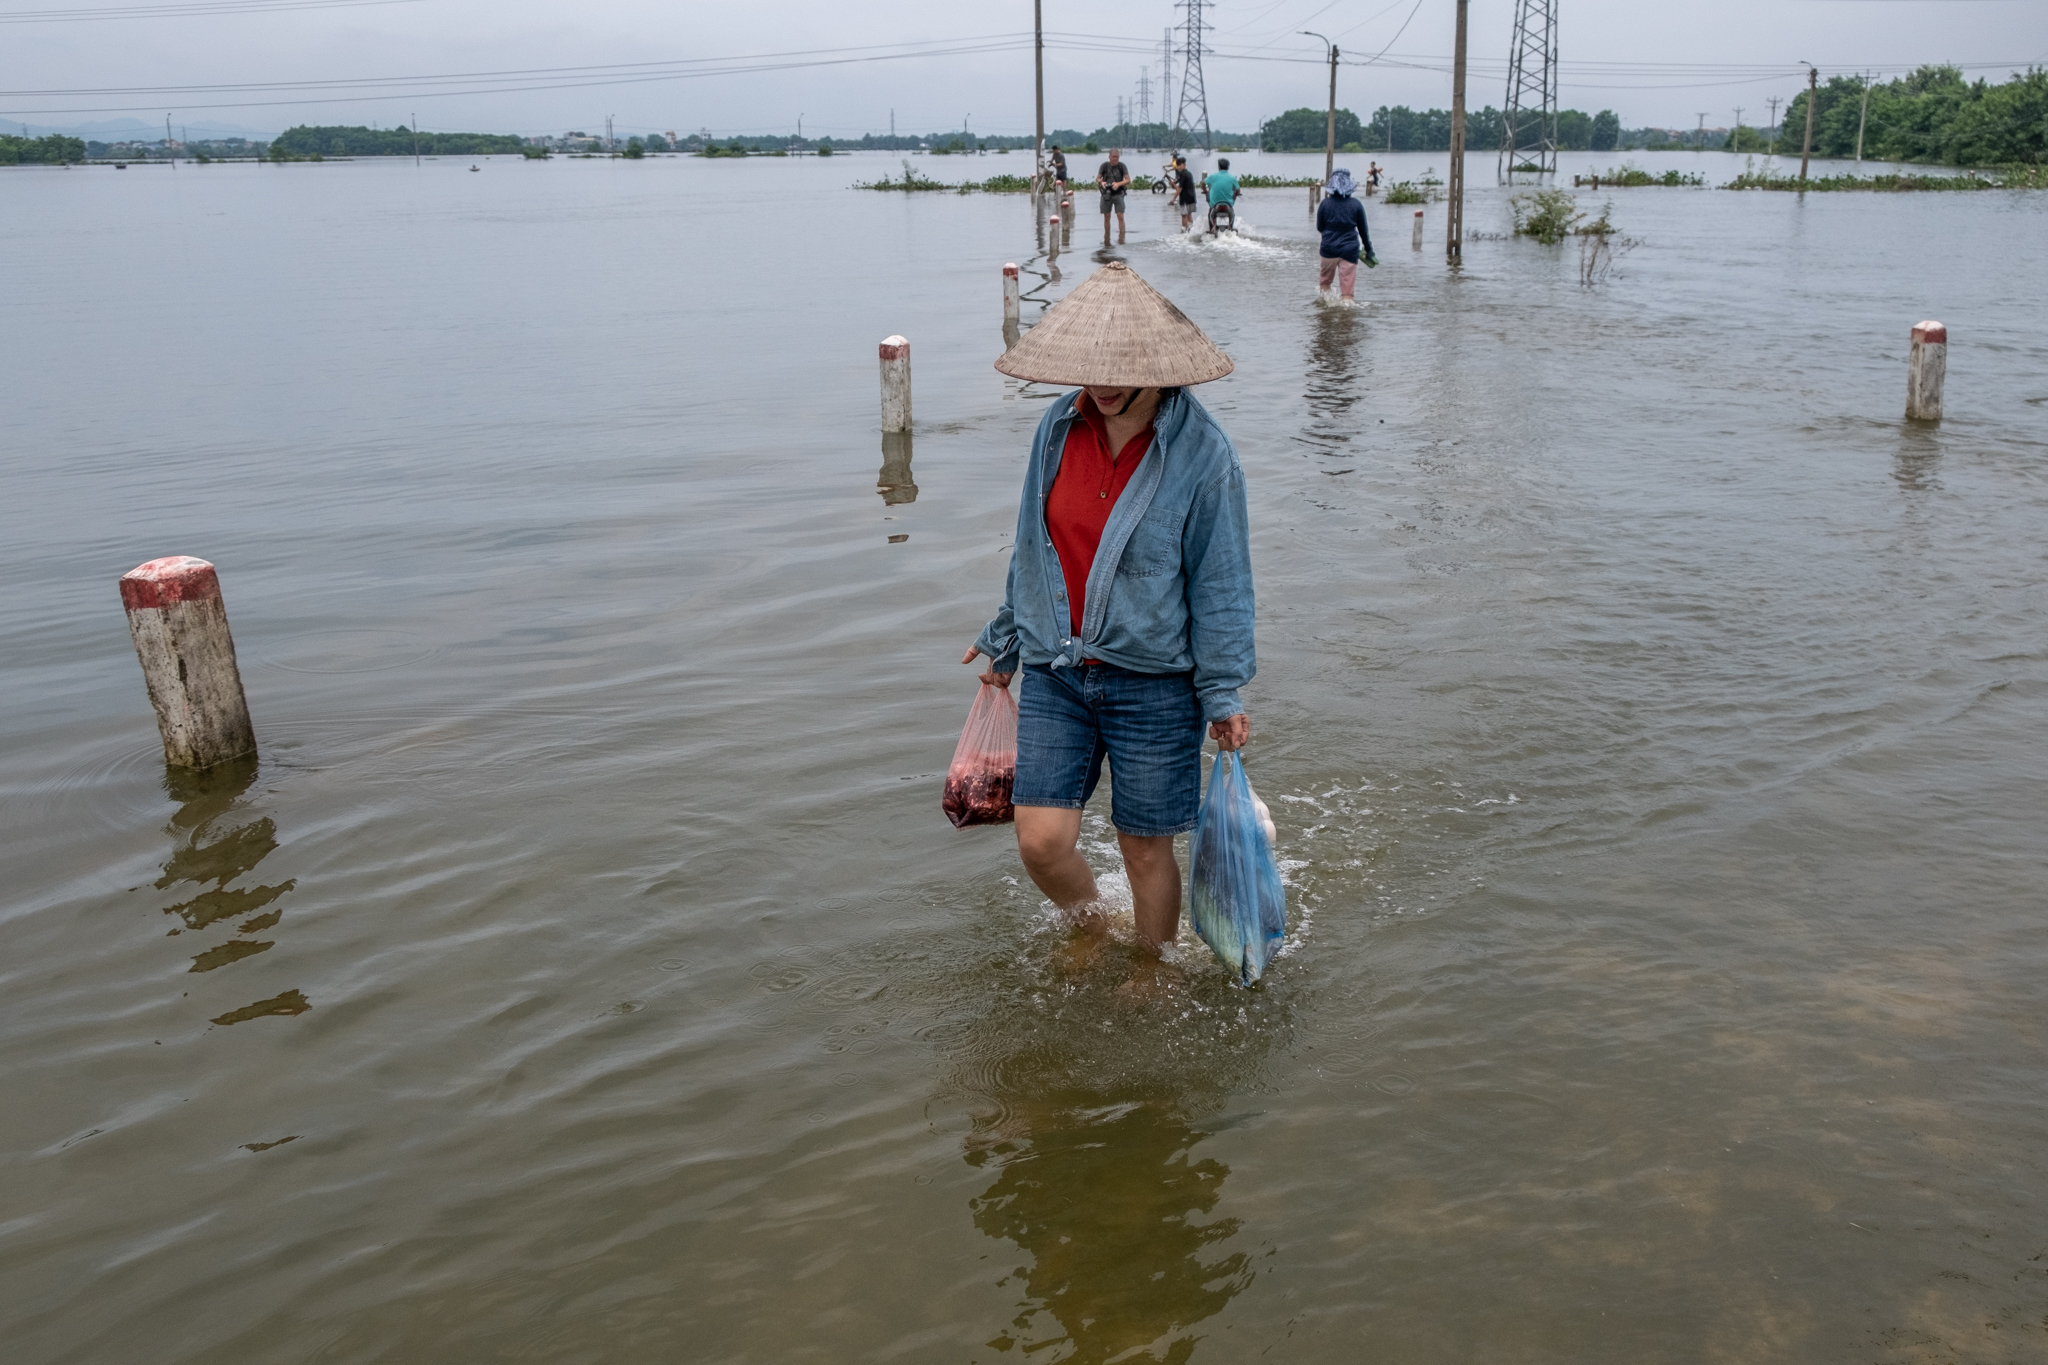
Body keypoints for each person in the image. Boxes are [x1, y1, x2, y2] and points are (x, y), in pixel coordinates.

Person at [966, 261, 1254, 960]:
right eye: (1089, 368)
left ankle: (1152, 967)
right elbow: (1032, 542)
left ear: (1160, 367)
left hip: (1153, 680)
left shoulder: (1205, 455)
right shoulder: (1058, 428)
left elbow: (1221, 581)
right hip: (1059, 669)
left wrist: (1221, 690)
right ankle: (1093, 921)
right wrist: (1005, 640)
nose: (1099, 384)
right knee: (1040, 839)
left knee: (1145, 848)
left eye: (1117, 370)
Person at [1315, 167, 1376, 305]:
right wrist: (1369, 250)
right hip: (1350, 250)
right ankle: (1347, 320)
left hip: (1328, 249)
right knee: (1347, 293)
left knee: (1325, 284)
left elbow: (1320, 227)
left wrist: (1330, 234)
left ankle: (1324, 315)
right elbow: (1363, 231)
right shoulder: (1356, 204)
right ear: (1349, 184)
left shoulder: (1325, 204)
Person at [1097, 148, 1131, 244]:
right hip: (1106, 194)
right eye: (1113, 157)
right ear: (1109, 156)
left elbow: (1128, 180)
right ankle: (1106, 238)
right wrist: (1102, 182)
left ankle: (1122, 238)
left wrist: (1118, 184)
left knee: (1120, 215)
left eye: (1117, 157)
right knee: (1106, 216)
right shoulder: (1104, 166)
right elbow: (1098, 178)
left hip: (1118, 193)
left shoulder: (1122, 166)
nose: (1115, 159)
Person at [1204, 157, 1239, 232]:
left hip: (1214, 204)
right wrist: (1236, 194)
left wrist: (1204, 190)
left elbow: (1203, 183)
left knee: (1210, 211)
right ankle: (1231, 227)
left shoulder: (1212, 176)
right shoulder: (1232, 178)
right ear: (1228, 167)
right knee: (1232, 212)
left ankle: (1211, 229)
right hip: (1228, 204)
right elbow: (1238, 190)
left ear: (1218, 166)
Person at [1171, 154, 1197, 231]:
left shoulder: (1182, 174)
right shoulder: (1189, 173)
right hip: (1192, 197)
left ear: (1183, 165)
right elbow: (1177, 183)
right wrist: (1174, 184)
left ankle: (1184, 232)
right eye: (1177, 165)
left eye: (1179, 165)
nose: (1178, 167)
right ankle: (1191, 230)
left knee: (1184, 215)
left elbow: (1179, 189)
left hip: (1185, 198)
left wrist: (1173, 199)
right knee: (1189, 214)